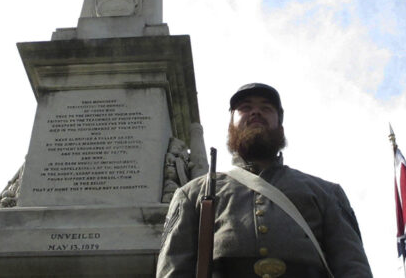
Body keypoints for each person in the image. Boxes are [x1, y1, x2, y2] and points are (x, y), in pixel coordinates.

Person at [157, 83, 373, 277]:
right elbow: (174, 270)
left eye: (266, 108)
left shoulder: (326, 192)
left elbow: (353, 266)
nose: (256, 112)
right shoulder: (192, 194)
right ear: (231, 125)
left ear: (280, 126)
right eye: (245, 108)